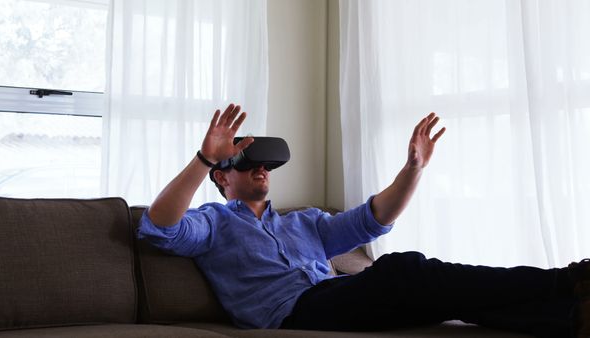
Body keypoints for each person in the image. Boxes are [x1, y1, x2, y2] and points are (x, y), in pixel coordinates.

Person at [137, 103, 588, 338]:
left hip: (331, 296)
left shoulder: (306, 222)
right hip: (292, 314)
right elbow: (159, 227)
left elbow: (375, 218)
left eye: (266, 165)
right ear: (222, 178)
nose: (261, 170)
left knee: (444, 300)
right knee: (402, 270)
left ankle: (567, 318)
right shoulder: (212, 221)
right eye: (246, 163)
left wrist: (413, 169)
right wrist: (202, 158)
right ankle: (563, 282)